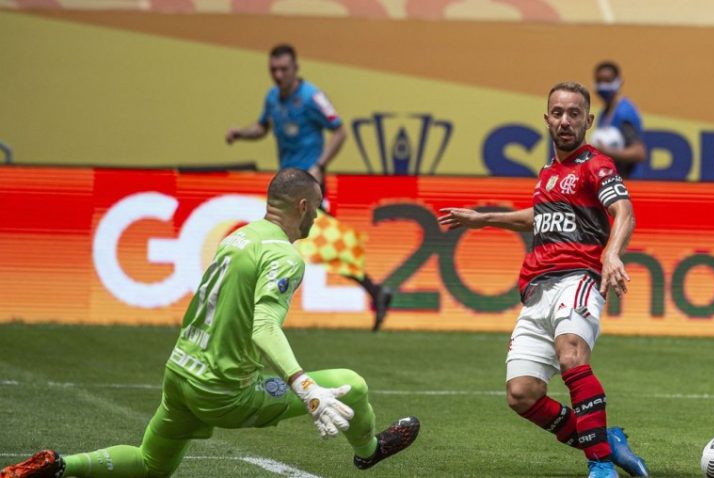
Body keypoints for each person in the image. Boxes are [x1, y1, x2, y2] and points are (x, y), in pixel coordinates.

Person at [1, 169, 419, 478]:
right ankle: (367, 450)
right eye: (319, 207)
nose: (319, 218)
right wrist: (305, 387)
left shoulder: (238, 237)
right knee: (354, 382)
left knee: (152, 465)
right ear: (303, 207)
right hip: (223, 392)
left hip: (181, 371)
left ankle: (58, 465)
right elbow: (263, 328)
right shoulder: (285, 257)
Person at [438, 82, 649, 478]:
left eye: (574, 114)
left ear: (588, 120)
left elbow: (624, 211)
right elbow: (539, 216)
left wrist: (612, 252)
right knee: (522, 395)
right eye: (557, 113)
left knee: (572, 355)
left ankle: (600, 465)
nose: (565, 121)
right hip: (537, 289)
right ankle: (606, 439)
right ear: (547, 118)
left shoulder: (596, 165)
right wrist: (484, 219)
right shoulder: (549, 172)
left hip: (578, 278)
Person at [226, 43, 392, 331]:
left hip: (307, 184)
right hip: (286, 183)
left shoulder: (312, 97)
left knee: (290, 239)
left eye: (284, 69)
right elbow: (262, 128)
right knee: (320, 242)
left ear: (296, 69)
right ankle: (375, 291)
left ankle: (262, 309)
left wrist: (320, 165)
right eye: (273, 69)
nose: (278, 75)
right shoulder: (272, 98)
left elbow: (339, 130)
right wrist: (241, 132)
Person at [589, 61, 646, 179]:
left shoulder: (624, 113)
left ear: (619, 81)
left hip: (629, 184)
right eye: (599, 81)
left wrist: (606, 152)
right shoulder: (604, 113)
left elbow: (639, 152)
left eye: (607, 81)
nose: (603, 86)